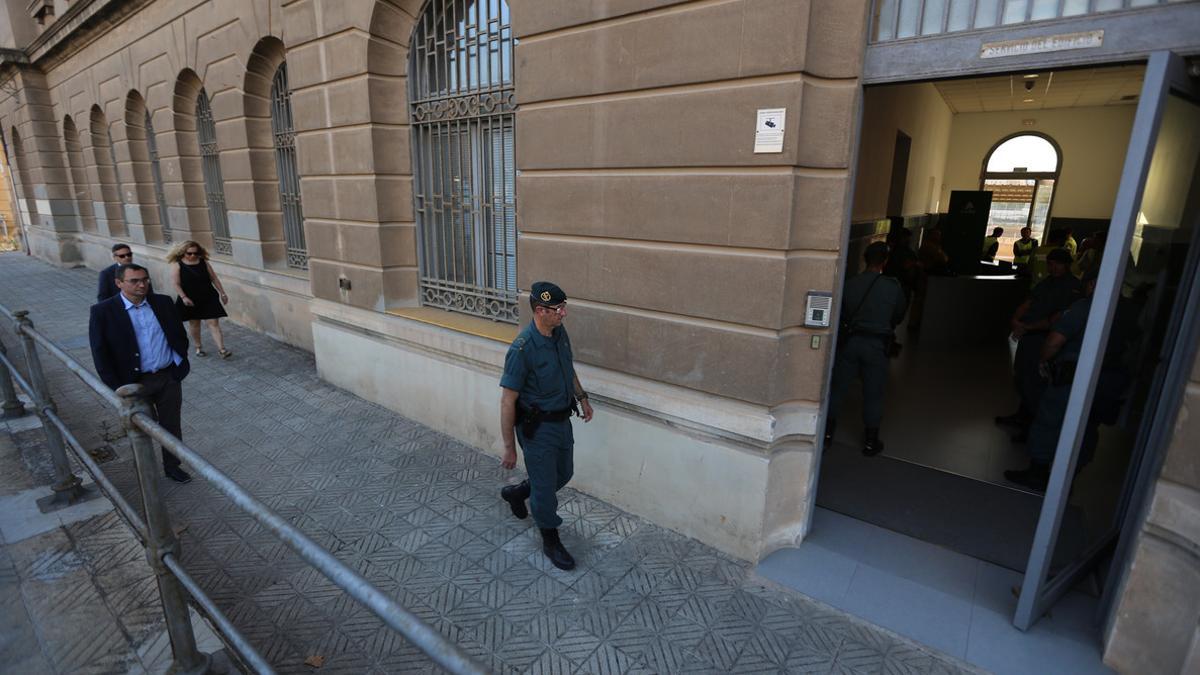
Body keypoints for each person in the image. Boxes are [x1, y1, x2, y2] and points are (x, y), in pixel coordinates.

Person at [1005, 270, 1134, 491]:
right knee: (1087, 428)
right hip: (1107, 380)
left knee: (1050, 421)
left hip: (1072, 377)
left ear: (1093, 284)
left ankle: (1038, 473)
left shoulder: (1085, 307)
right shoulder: (1129, 310)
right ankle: (1067, 480)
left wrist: (1044, 362)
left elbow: (1055, 341)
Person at [498, 282, 594, 570]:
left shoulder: (558, 333)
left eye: (564, 308)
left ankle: (518, 492)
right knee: (544, 492)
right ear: (540, 311)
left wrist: (582, 397)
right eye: (558, 309)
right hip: (537, 429)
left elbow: (568, 367)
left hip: (562, 421)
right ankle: (551, 540)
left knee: (564, 473)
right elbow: (506, 402)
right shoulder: (522, 349)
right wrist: (509, 448)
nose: (564, 314)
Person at [89, 263, 192, 483]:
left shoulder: (163, 303)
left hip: (167, 378)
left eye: (145, 279)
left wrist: (178, 368)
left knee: (171, 426)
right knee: (141, 428)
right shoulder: (103, 311)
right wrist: (117, 387)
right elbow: (100, 352)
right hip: (133, 384)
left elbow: (179, 336)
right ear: (119, 283)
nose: (141, 284)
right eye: (134, 281)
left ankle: (173, 466)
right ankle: (146, 473)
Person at [825, 242, 907, 456]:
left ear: (865, 259)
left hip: (851, 343)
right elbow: (898, 316)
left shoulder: (851, 284)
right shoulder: (892, 287)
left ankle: (826, 435)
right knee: (874, 392)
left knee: (838, 388)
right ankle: (870, 442)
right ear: (885, 262)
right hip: (877, 345)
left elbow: (841, 314)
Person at [996, 249, 1083, 441]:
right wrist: (1016, 320)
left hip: (1043, 338)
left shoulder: (1073, 287)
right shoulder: (1047, 282)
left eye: (1057, 264)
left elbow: (1057, 318)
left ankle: (1031, 428)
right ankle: (1022, 415)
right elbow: (1029, 302)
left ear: (1067, 264)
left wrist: (1027, 327)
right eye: (1050, 264)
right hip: (1027, 336)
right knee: (1021, 377)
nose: (1053, 267)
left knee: (1035, 384)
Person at [167, 241, 232, 359]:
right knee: (195, 324)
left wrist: (222, 293)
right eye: (189, 253)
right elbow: (176, 284)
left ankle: (222, 349)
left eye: (196, 253)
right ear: (183, 253)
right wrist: (184, 297)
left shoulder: (204, 263)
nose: (193, 256)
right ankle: (198, 347)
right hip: (190, 298)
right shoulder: (178, 265)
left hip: (208, 296)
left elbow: (214, 278)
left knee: (214, 323)